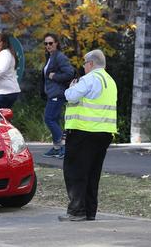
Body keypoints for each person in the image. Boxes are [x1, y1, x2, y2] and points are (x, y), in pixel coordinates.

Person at [58, 49, 117, 222]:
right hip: (104, 133)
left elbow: (70, 96)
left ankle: (77, 211)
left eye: (84, 63)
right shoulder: (110, 81)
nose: (83, 67)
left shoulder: (89, 78)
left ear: (91, 63)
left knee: (75, 171)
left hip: (83, 132)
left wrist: (71, 87)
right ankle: (90, 211)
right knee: (92, 173)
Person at [41, 33, 75, 158]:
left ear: (56, 43)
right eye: (46, 44)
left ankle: (64, 147)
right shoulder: (50, 56)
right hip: (52, 93)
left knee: (49, 119)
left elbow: (70, 73)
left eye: (50, 43)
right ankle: (56, 148)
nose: (48, 46)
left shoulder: (59, 57)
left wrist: (54, 76)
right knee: (54, 119)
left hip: (57, 93)